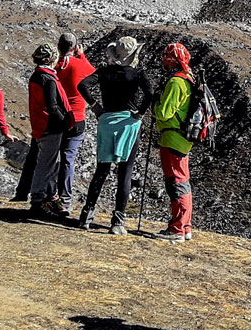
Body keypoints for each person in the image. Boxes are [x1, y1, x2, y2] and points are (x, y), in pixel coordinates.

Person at [76, 36, 153, 235]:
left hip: (107, 121)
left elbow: (82, 86)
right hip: (129, 123)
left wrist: (95, 107)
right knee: (124, 174)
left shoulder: (104, 72)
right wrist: (140, 113)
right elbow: (150, 95)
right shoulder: (137, 74)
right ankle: (117, 222)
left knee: (101, 170)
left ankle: (86, 215)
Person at [152, 42, 195, 241]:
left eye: (165, 56)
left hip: (172, 137)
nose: (163, 60)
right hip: (183, 138)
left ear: (172, 59)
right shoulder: (189, 78)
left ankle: (177, 228)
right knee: (182, 181)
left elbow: (164, 112)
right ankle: (185, 226)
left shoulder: (176, 82)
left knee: (175, 182)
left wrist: (155, 106)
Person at [26, 42, 72, 219]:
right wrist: (65, 121)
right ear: (52, 59)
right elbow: (53, 106)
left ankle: (50, 197)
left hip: (41, 125)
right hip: (51, 127)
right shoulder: (49, 78)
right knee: (46, 164)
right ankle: (38, 200)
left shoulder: (37, 76)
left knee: (51, 162)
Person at [55, 32, 95, 213]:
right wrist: (82, 56)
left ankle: (48, 195)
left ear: (58, 47)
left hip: (56, 117)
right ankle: (65, 200)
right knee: (68, 159)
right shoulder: (80, 65)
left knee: (51, 158)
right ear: (75, 46)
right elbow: (94, 75)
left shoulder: (54, 65)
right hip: (77, 118)